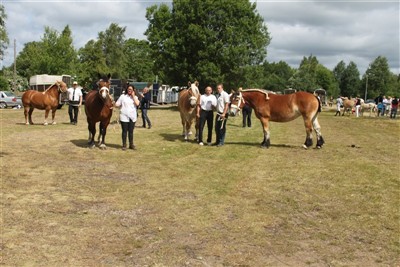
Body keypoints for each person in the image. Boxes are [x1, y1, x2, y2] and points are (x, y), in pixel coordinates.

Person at [115, 85, 140, 150]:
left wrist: (133, 96)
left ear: (133, 90)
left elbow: (137, 104)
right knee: (124, 131)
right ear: (127, 89)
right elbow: (117, 104)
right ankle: (124, 145)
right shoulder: (123, 96)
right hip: (124, 117)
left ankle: (131, 144)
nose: (129, 90)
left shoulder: (135, 97)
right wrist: (115, 104)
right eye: (129, 89)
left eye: (131, 89)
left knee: (131, 132)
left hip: (132, 117)